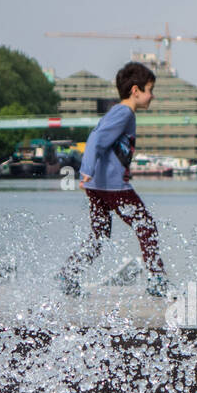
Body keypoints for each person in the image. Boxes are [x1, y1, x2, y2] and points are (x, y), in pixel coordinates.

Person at [58, 61, 168, 297]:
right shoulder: (124, 112)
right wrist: (86, 168)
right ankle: (157, 279)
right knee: (146, 225)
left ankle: (70, 273)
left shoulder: (118, 113)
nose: (152, 96)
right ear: (135, 91)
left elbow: (97, 138)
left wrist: (87, 175)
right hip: (113, 187)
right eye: (150, 90)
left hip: (96, 186)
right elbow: (96, 138)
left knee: (100, 235)